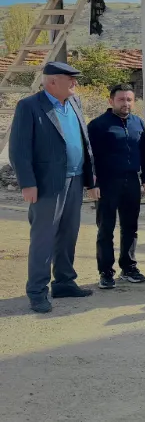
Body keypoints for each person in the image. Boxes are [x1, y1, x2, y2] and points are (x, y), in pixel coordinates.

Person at [9, 62, 99, 313]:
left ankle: (64, 282)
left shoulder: (74, 102)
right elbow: (19, 149)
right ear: (51, 82)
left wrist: (91, 180)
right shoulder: (29, 106)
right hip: (46, 184)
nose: (75, 84)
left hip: (75, 179)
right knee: (44, 238)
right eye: (70, 79)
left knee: (68, 234)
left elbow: (84, 142)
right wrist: (28, 183)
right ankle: (38, 291)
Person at [87, 83, 145, 288]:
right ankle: (106, 272)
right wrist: (92, 183)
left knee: (130, 227)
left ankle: (128, 267)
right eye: (121, 99)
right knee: (106, 228)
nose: (126, 103)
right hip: (107, 183)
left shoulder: (138, 123)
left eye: (129, 100)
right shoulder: (98, 125)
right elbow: (89, 158)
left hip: (131, 181)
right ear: (111, 101)